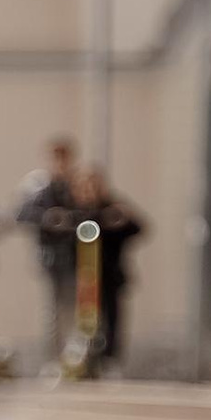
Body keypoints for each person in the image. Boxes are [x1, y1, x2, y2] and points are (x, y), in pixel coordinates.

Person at [66, 159, 145, 371]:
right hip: (81, 277)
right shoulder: (72, 211)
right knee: (81, 317)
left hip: (109, 274)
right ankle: (80, 357)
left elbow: (138, 228)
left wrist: (121, 218)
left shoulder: (112, 206)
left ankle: (109, 360)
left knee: (111, 319)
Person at [16, 134, 79, 373]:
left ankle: (75, 358)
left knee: (76, 307)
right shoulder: (37, 185)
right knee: (52, 311)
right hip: (50, 255)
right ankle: (53, 360)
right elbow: (21, 214)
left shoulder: (76, 182)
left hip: (76, 256)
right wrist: (47, 218)